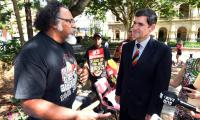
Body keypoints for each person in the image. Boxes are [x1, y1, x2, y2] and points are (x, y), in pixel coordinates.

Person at [14, 1, 111, 120]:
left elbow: (69, 65)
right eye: (70, 21)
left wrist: (81, 71)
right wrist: (76, 115)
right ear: (54, 23)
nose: (74, 25)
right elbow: (30, 104)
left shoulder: (66, 45)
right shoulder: (32, 52)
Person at [115, 8, 172, 120]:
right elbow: (122, 72)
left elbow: (161, 86)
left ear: (152, 27)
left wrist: (153, 112)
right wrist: (118, 92)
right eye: (134, 23)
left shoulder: (163, 51)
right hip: (125, 105)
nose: (135, 27)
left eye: (140, 24)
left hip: (144, 110)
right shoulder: (126, 47)